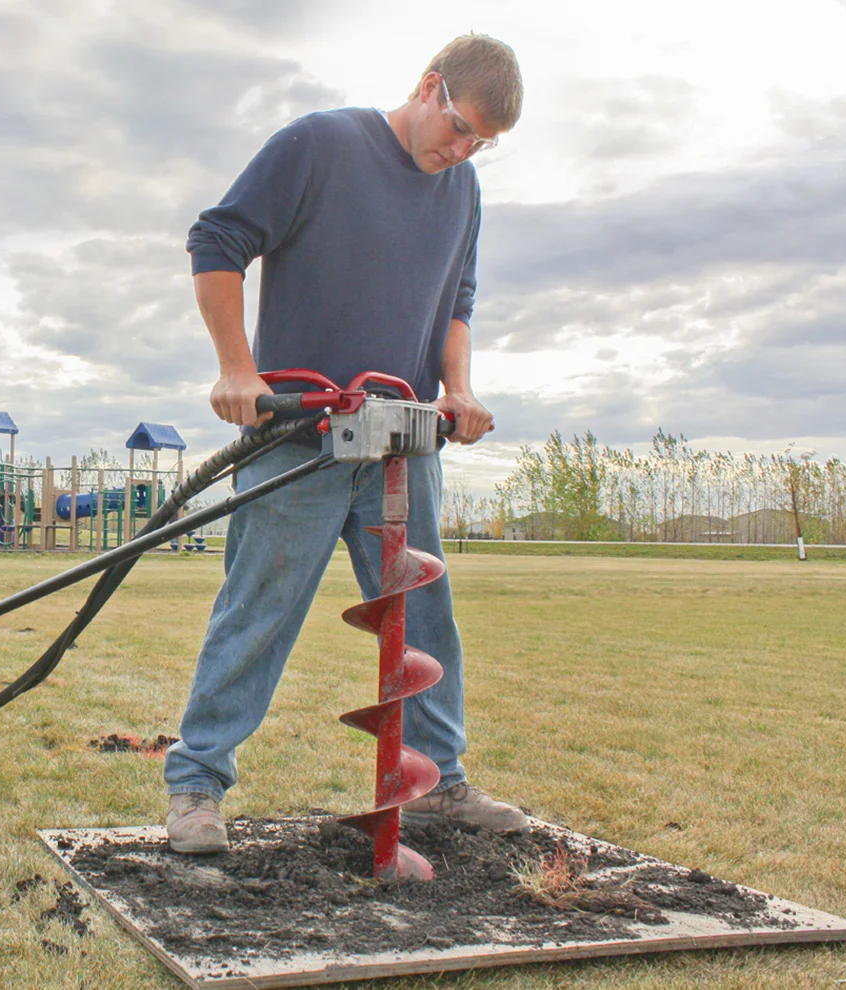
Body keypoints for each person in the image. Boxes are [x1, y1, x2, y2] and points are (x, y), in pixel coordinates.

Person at [164, 35, 528, 854]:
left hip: (401, 439)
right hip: (298, 432)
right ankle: (195, 783)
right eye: (461, 127)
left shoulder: (461, 188)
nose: (463, 150)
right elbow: (216, 242)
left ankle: (437, 778)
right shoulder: (320, 144)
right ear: (429, 86)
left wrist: (458, 390)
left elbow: (456, 299)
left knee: (422, 612)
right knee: (260, 607)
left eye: (484, 145)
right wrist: (236, 370)